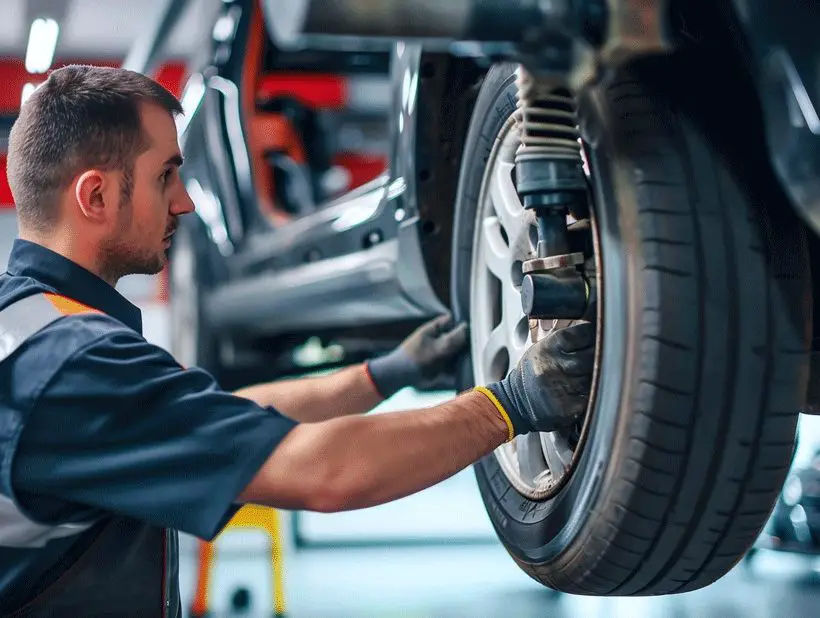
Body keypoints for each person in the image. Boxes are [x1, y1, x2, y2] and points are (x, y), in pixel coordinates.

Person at [0, 65, 595, 616]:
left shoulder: (31, 328)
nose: (184, 200)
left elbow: (234, 421)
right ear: (95, 196)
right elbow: (323, 473)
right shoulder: (72, 364)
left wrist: (386, 373)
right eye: (165, 175)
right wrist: (509, 407)